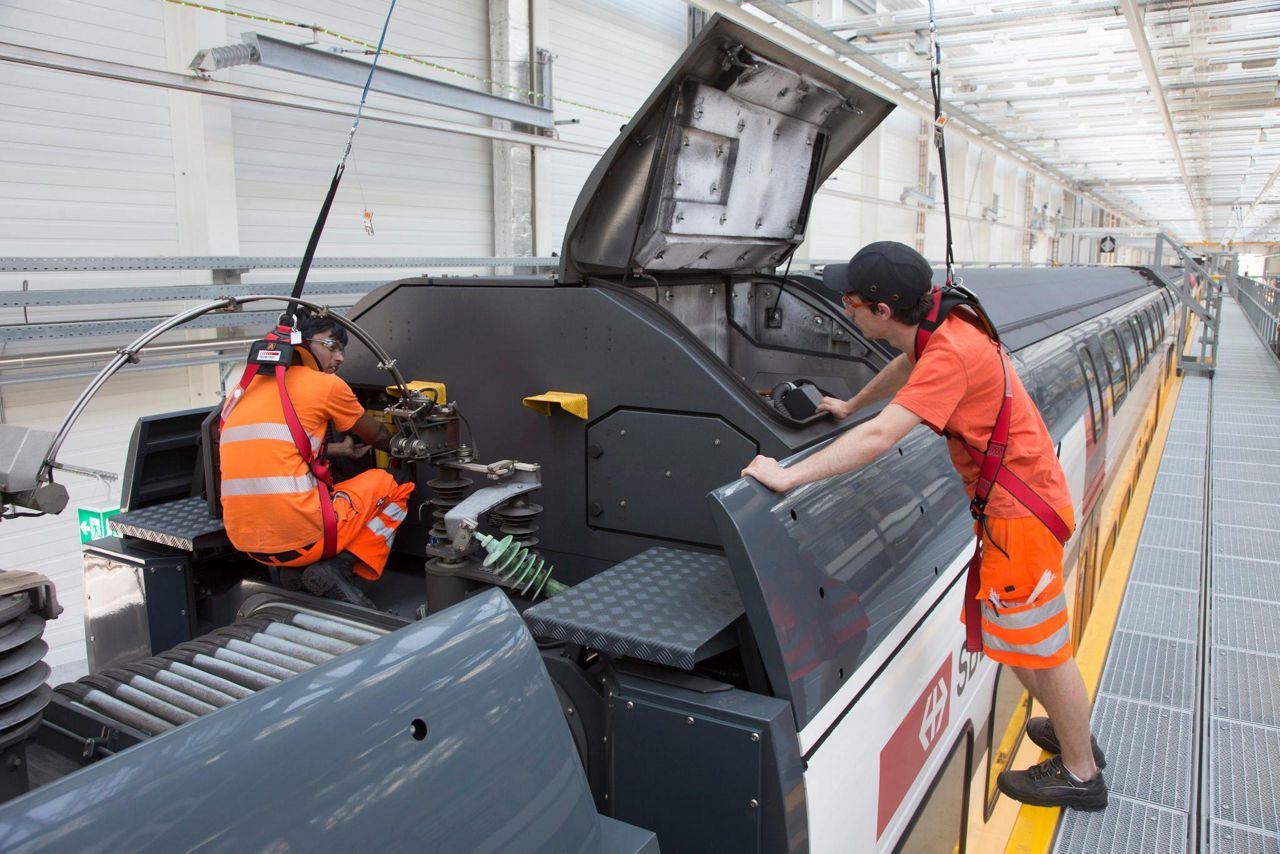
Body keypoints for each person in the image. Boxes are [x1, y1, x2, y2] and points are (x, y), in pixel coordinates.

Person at [741, 242, 1107, 812]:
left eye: (852, 300)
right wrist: (851, 403)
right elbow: (908, 363)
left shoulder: (953, 354)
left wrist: (790, 479)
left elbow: (881, 438)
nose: (845, 306)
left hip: (1021, 517)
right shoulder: (940, 317)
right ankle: (1069, 727)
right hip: (1018, 504)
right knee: (1021, 643)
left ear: (881, 312)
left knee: (1042, 650)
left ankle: (1081, 774)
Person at [219, 314, 415, 608]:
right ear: (302, 344)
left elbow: (279, 447)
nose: (340, 358)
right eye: (332, 346)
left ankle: (294, 573)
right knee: (396, 484)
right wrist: (407, 443)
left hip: (248, 542)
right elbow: (375, 436)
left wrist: (340, 451)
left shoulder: (240, 391)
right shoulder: (325, 385)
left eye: (342, 350)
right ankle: (336, 568)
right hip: (306, 540)